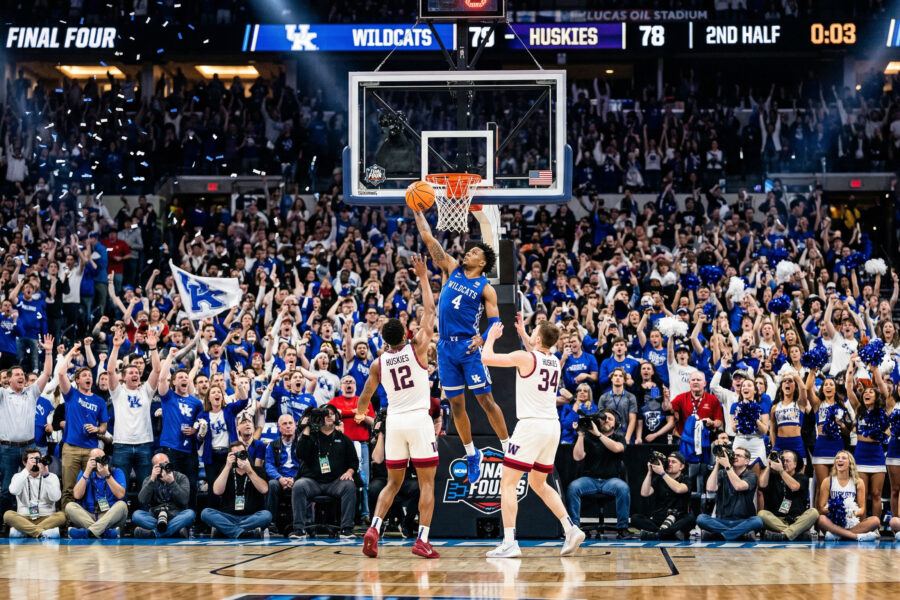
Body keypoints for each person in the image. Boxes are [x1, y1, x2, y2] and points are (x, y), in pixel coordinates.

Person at [414, 209, 509, 483]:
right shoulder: (451, 268)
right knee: (456, 405)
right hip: (445, 349)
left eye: (474, 253)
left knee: (485, 400)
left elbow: (494, 321)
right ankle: (471, 454)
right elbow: (428, 237)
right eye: (469, 252)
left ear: (482, 262)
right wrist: (417, 209)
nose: (468, 253)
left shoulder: (485, 287)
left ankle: (508, 447)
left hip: (468, 349)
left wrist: (482, 338)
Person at [480, 319, 586, 558]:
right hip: (551, 426)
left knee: (507, 483)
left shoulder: (525, 357)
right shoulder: (554, 362)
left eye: (533, 332)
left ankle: (509, 542)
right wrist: (523, 334)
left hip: (530, 427)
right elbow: (535, 352)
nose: (530, 334)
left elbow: (486, 358)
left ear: (538, 339)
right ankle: (570, 528)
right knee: (538, 483)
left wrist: (491, 338)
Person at [358, 255, 440, 558]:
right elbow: (430, 311)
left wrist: (359, 411)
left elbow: (366, 395)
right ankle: (422, 539)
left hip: (394, 424)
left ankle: (375, 527)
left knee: (392, 482)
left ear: (383, 339)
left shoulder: (379, 363)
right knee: (427, 482)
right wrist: (422, 276)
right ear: (405, 334)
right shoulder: (417, 348)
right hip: (419, 421)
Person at [0, 335, 54, 516]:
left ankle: (33, 517)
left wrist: (48, 351)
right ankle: (6, 521)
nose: (21, 376)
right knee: (7, 488)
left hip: (30, 448)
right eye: (17, 375)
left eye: (22, 374)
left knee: (34, 482)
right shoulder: (3, 394)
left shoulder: (31, 393)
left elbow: (46, 374)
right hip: (6, 449)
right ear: (8, 379)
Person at [290, 406, 359, 541]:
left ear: (336, 418)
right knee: (299, 485)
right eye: (325, 414)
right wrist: (308, 426)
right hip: (313, 481)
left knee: (349, 486)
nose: (329, 416)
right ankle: (299, 529)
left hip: (335, 482)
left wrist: (350, 472)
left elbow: (354, 462)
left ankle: (346, 528)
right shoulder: (310, 436)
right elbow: (300, 454)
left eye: (332, 414)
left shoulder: (344, 439)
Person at [567, 409, 635, 539]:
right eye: (604, 418)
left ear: (616, 424)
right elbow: (577, 457)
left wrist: (599, 435)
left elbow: (617, 448)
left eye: (610, 419)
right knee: (573, 488)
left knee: (623, 488)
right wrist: (581, 435)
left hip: (611, 481)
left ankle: (622, 529)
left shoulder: (618, 437)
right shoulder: (589, 437)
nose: (606, 420)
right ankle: (574, 528)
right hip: (590, 480)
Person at [107, 327, 160, 491]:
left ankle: (143, 515)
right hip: (122, 444)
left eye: (137, 372)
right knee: (120, 487)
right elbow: (109, 371)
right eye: (130, 372)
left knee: (146, 486)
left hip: (144, 444)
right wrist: (116, 347)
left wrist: (153, 348)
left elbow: (157, 370)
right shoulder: (118, 392)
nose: (135, 374)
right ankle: (121, 515)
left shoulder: (146, 391)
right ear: (123, 377)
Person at [58, 342, 109, 507]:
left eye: (90, 375)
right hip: (71, 448)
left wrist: (97, 429)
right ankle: (67, 526)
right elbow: (60, 372)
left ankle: (88, 521)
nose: (89, 378)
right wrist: (71, 352)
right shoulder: (70, 394)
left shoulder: (99, 401)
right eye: (85, 375)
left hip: (91, 449)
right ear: (77, 380)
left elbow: (104, 427)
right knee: (68, 489)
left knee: (91, 487)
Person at [155, 354, 203, 509]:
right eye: (180, 377)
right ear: (174, 382)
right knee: (169, 483)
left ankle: (190, 520)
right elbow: (161, 380)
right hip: (171, 449)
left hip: (190, 451)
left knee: (191, 485)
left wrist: (195, 430)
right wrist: (169, 356)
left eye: (186, 377)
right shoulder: (168, 397)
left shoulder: (197, 403)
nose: (184, 379)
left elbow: (201, 424)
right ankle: (172, 516)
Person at [201, 441, 272, 539]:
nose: (239, 456)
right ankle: (243, 532)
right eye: (235, 454)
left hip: (251, 516)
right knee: (206, 513)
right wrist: (227, 466)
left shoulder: (257, 470)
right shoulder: (226, 470)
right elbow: (217, 491)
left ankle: (226, 531)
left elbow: (264, 490)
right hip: (228, 516)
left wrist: (249, 470)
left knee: (266, 515)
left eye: (241, 453)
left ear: (246, 452)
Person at [330, 375, 375, 526]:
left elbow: (373, 422)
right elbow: (332, 416)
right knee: (343, 479)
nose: (349, 384)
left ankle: (366, 514)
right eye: (346, 382)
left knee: (365, 481)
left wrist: (348, 413)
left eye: (352, 381)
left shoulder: (363, 400)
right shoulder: (333, 402)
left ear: (356, 385)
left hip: (361, 444)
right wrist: (356, 412)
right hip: (340, 445)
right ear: (341, 386)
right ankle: (344, 515)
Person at [696, 446, 764, 541]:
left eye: (739, 455)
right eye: (734, 454)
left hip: (743, 521)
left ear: (747, 461)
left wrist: (728, 466)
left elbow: (739, 486)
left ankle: (719, 535)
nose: (735, 457)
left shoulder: (751, 475)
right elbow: (710, 488)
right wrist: (717, 464)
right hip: (722, 521)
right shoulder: (721, 473)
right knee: (701, 518)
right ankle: (738, 535)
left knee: (757, 521)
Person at [816, 450, 880, 542]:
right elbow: (821, 508)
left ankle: (839, 535)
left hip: (852, 520)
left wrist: (850, 512)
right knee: (821, 519)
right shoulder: (828, 481)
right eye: (837, 458)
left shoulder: (858, 482)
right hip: (834, 521)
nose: (839, 460)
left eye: (843, 458)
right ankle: (856, 536)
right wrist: (836, 511)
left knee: (875, 520)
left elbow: (862, 509)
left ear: (850, 463)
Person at [64, 448, 127, 539]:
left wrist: (107, 475)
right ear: (90, 461)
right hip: (89, 515)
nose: (100, 461)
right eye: (96, 459)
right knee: (70, 506)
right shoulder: (84, 473)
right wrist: (87, 472)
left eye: (102, 458)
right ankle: (103, 533)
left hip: (109, 516)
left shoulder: (115, 472)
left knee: (122, 505)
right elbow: (77, 495)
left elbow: (121, 495)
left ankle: (88, 532)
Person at [631, 451, 695, 540]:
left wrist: (663, 473)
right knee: (635, 518)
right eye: (668, 461)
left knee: (691, 519)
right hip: (660, 518)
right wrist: (650, 472)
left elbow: (679, 489)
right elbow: (645, 493)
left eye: (673, 462)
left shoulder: (686, 479)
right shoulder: (659, 478)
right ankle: (665, 533)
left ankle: (657, 534)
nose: (669, 464)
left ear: (682, 467)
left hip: (677, 518)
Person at [758, 449, 819, 541]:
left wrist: (781, 471)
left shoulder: (802, 477)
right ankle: (795, 533)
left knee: (814, 512)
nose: (785, 463)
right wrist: (768, 466)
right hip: (777, 519)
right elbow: (762, 484)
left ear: (795, 464)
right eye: (783, 460)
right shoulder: (773, 477)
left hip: (797, 519)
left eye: (788, 461)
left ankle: (784, 534)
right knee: (761, 514)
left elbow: (794, 486)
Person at [2, 447, 64, 539]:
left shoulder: (52, 477)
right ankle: (42, 533)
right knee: (8, 515)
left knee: (62, 516)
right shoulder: (18, 476)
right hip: (24, 518)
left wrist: (46, 475)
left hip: (47, 517)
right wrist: (27, 470)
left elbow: (55, 498)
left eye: (38, 459)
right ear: (24, 462)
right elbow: (13, 491)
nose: (36, 462)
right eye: (32, 459)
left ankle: (25, 532)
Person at [132, 453, 195, 538]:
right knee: (136, 515)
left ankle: (154, 533)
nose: (164, 467)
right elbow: (142, 500)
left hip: (175, 515)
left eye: (166, 463)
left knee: (190, 514)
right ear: (153, 468)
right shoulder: (149, 479)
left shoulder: (181, 477)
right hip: (156, 516)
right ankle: (174, 532)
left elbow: (184, 500)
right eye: (160, 465)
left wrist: (172, 482)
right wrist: (152, 480)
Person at [264, 413, 300, 532]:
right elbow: (269, 465)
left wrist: (294, 479)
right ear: (279, 428)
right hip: (280, 480)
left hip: (298, 479)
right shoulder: (272, 445)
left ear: (295, 426)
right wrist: (279, 478)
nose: (288, 426)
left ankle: (301, 524)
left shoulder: (302, 444)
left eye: (290, 423)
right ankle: (271, 523)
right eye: (284, 424)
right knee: (272, 484)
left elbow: (306, 465)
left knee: (303, 484)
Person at [597, 367, 638, 441]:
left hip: (625, 434)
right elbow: (601, 419)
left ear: (624, 380)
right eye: (615, 376)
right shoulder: (603, 397)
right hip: (608, 435)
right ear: (611, 379)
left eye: (620, 376)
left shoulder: (631, 397)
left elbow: (632, 419)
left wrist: (627, 438)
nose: (617, 378)